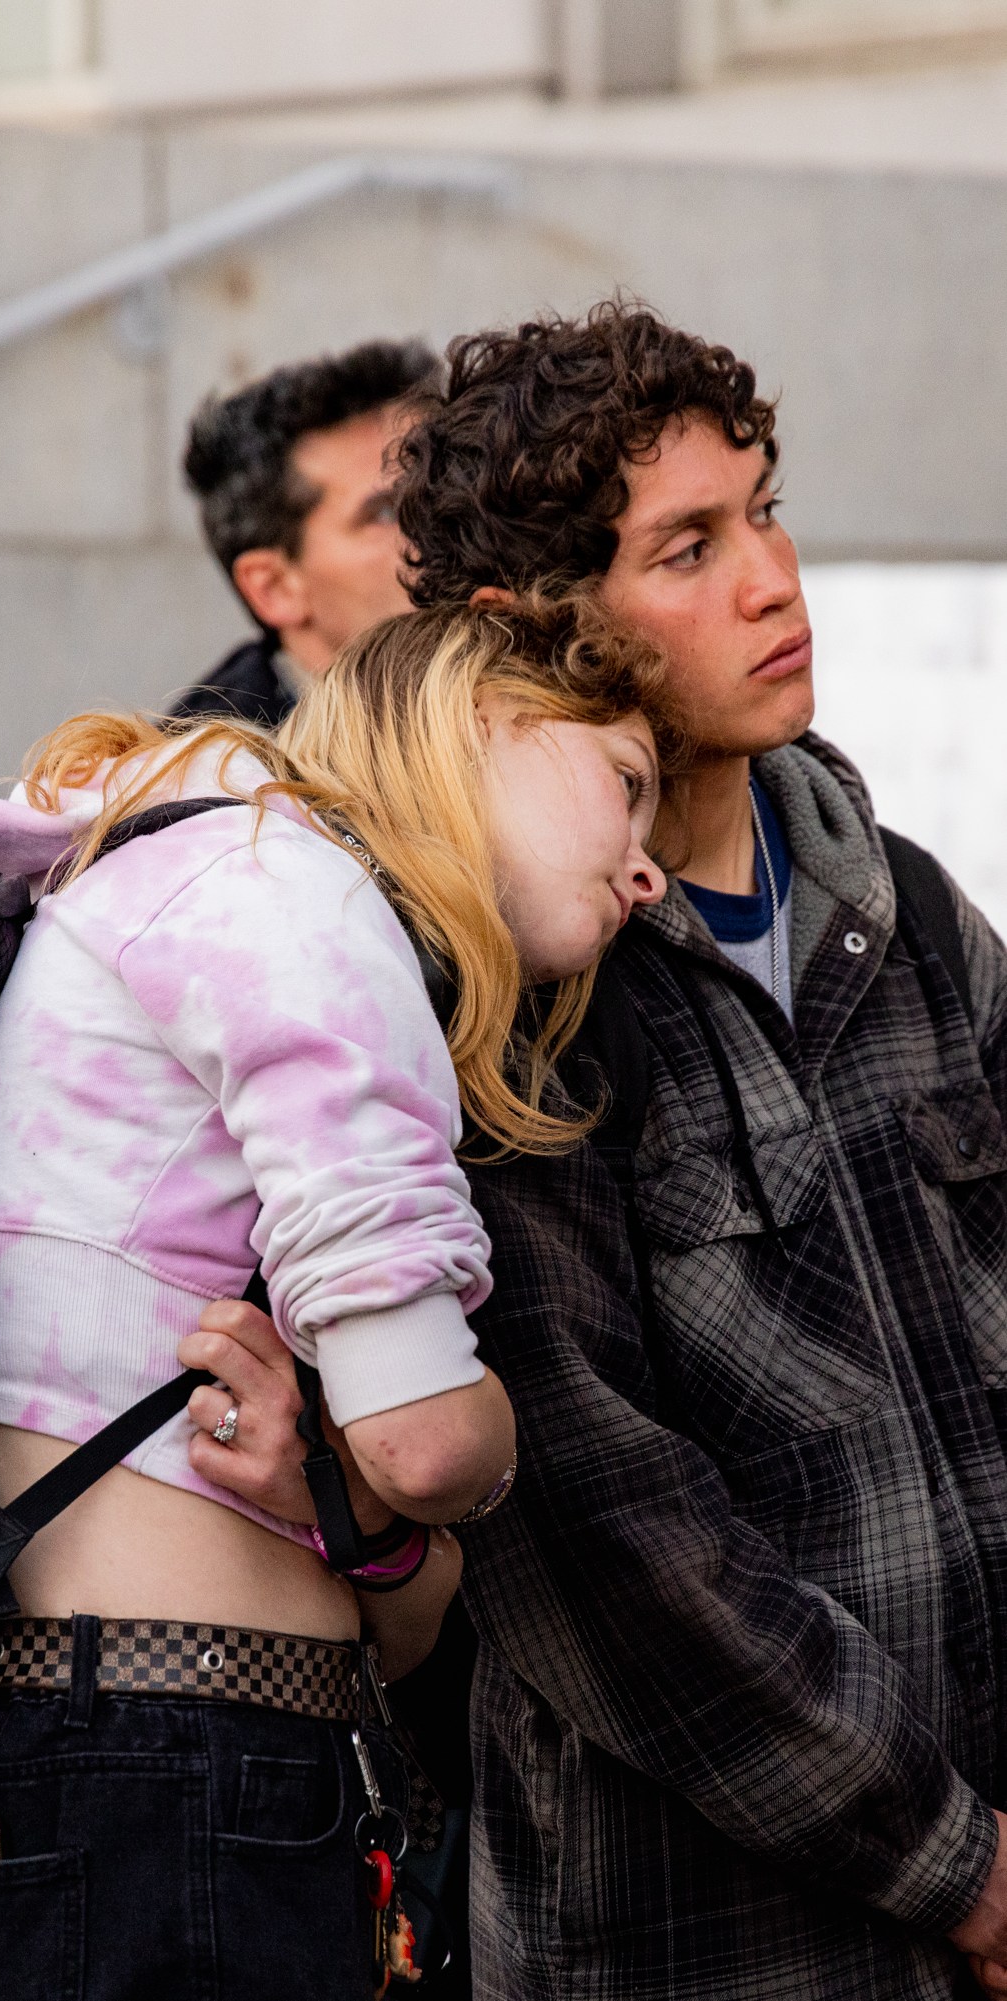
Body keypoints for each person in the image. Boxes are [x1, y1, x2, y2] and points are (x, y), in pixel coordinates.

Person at [0, 591, 666, 2001]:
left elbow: (399, 1603)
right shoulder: (292, 887)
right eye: (626, 786)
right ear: (481, 718)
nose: (644, 868)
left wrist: (364, 1515)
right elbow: (428, 1445)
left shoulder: (134, 882)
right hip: (146, 1779)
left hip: (84, 1770)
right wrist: (501, 1431)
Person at [386, 304, 1007, 2001]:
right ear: (535, 625)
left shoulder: (915, 920)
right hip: (700, 1942)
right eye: (687, 545)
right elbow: (600, 1545)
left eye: (762, 507)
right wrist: (959, 1868)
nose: (770, 577)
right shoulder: (495, 1000)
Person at [171, 339, 435, 727]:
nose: (446, 519)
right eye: (385, 512)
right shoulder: (210, 778)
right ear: (274, 587)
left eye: (445, 483)